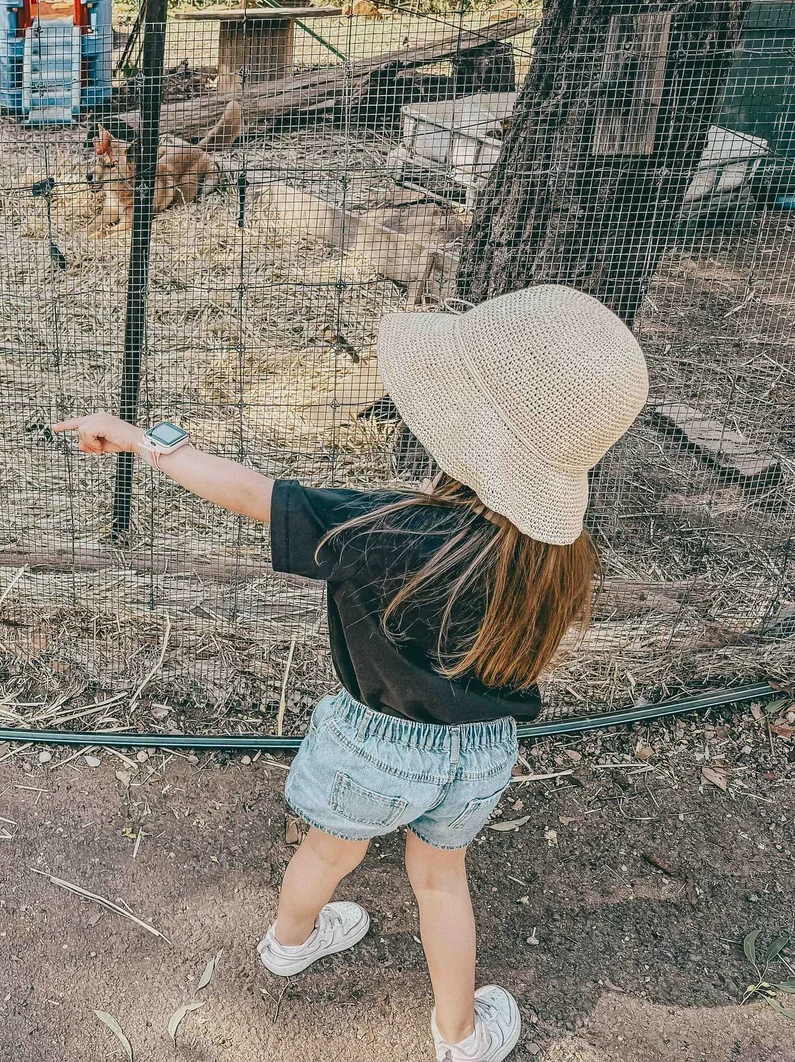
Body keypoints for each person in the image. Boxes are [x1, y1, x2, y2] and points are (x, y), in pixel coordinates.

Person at [52, 286, 648, 1062]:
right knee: (441, 881)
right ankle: (460, 1034)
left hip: (373, 745)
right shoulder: (559, 559)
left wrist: (140, 439)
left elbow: (253, 494)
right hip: (480, 755)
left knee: (330, 849)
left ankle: (290, 943)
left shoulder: (389, 529)